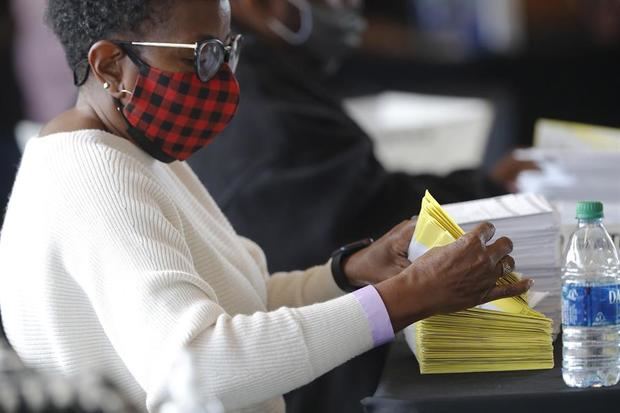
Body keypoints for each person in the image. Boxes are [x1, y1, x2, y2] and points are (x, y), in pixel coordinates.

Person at [0, 1, 531, 412]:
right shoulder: (94, 178)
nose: (225, 79)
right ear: (111, 66)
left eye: (228, 52)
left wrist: (347, 275)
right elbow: (199, 364)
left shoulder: (136, 151)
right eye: (202, 55)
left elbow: (237, 304)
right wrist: (401, 300)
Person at [188, 2, 535, 411]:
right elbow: (204, 366)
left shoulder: (270, 74)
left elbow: (257, 292)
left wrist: (347, 269)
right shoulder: (252, 103)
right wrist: (408, 294)